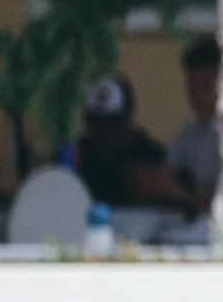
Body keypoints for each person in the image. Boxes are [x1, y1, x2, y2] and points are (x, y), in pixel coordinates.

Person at [60, 74, 190, 209]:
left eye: (112, 124)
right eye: (97, 124)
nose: (105, 133)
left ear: (129, 114)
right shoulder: (74, 156)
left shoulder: (154, 159)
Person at [166, 35, 223, 212]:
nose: (196, 94)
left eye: (206, 86)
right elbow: (169, 170)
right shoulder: (189, 133)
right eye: (192, 85)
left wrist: (183, 194)